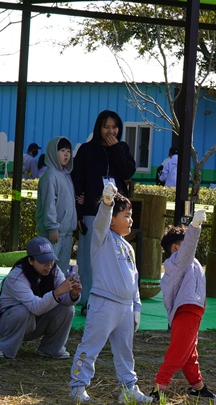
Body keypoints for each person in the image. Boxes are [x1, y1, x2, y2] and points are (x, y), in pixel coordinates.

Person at [68, 184, 150, 404]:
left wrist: (137, 307)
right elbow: (101, 222)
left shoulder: (128, 248)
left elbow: (134, 280)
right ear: (112, 219)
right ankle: (78, 386)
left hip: (125, 307)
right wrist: (107, 203)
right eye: (126, 215)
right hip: (104, 304)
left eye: (131, 216)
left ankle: (128, 388)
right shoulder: (101, 238)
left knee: (125, 352)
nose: (131, 220)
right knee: (90, 346)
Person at [72, 110, 136, 310]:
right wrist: (79, 211)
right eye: (106, 127)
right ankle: (88, 300)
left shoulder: (122, 148)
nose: (110, 131)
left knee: (116, 256)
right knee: (89, 257)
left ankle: (112, 299)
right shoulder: (86, 150)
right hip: (92, 211)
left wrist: (116, 149)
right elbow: (77, 180)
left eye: (114, 127)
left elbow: (128, 171)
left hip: (115, 214)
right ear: (98, 127)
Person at [155, 209, 216, 401]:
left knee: (189, 353)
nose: (190, 249)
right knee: (179, 352)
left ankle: (197, 387)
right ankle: (159, 388)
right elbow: (190, 243)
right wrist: (195, 226)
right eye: (185, 246)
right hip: (186, 312)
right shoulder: (180, 261)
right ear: (176, 249)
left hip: (192, 312)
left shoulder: (188, 262)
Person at [0, 236, 80, 360]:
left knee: (68, 309)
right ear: (30, 260)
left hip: (35, 322)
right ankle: (4, 349)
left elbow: (64, 299)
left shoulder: (54, 270)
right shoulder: (16, 276)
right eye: (43, 261)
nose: (49, 265)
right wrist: (58, 292)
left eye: (51, 260)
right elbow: (35, 307)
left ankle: (50, 349)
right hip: (9, 323)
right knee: (21, 311)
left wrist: (73, 294)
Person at [35, 136, 77, 270]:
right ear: (53, 152)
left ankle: (60, 292)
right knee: (47, 269)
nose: (66, 154)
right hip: (53, 234)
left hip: (66, 233)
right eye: (62, 150)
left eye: (69, 151)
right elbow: (49, 204)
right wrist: (52, 227)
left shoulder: (66, 175)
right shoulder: (50, 176)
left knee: (61, 272)